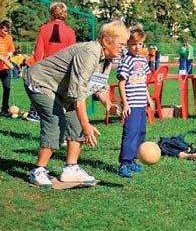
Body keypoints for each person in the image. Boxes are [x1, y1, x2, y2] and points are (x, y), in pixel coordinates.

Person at [24, 20, 129, 187]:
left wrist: (108, 103)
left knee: (76, 126)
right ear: (106, 40)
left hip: (62, 90)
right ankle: (38, 171)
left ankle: (70, 169)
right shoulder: (90, 53)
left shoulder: (107, 59)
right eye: (121, 43)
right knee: (56, 121)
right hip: (40, 82)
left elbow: (98, 86)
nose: (124, 47)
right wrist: (86, 123)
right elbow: (77, 92)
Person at [26, 2, 77, 122]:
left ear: (51, 14)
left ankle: (36, 114)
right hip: (63, 72)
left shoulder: (43, 29)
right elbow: (73, 55)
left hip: (46, 70)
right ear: (65, 14)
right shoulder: (70, 32)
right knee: (61, 102)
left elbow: (38, 54)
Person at [116, 25, 153, 178]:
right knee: (130, 133)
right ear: (127, 45)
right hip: (131, 104)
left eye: (140, 44)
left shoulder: (143, 60)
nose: (137, 47)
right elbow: (121, 83)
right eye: (134, 44)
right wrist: (125, 103)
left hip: (141, 104)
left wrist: (148, 98)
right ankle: (124, 163)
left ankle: (133, 161)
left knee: (140, 132)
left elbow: (143, 81)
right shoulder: (126, 60)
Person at [0, 20, 15, 117]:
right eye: (4, 31)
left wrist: (8, 56)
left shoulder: (9, 37)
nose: (6, 33)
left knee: (7, 88)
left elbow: (11, 50)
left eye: (7, 31)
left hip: (5, 67)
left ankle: (5, 109)